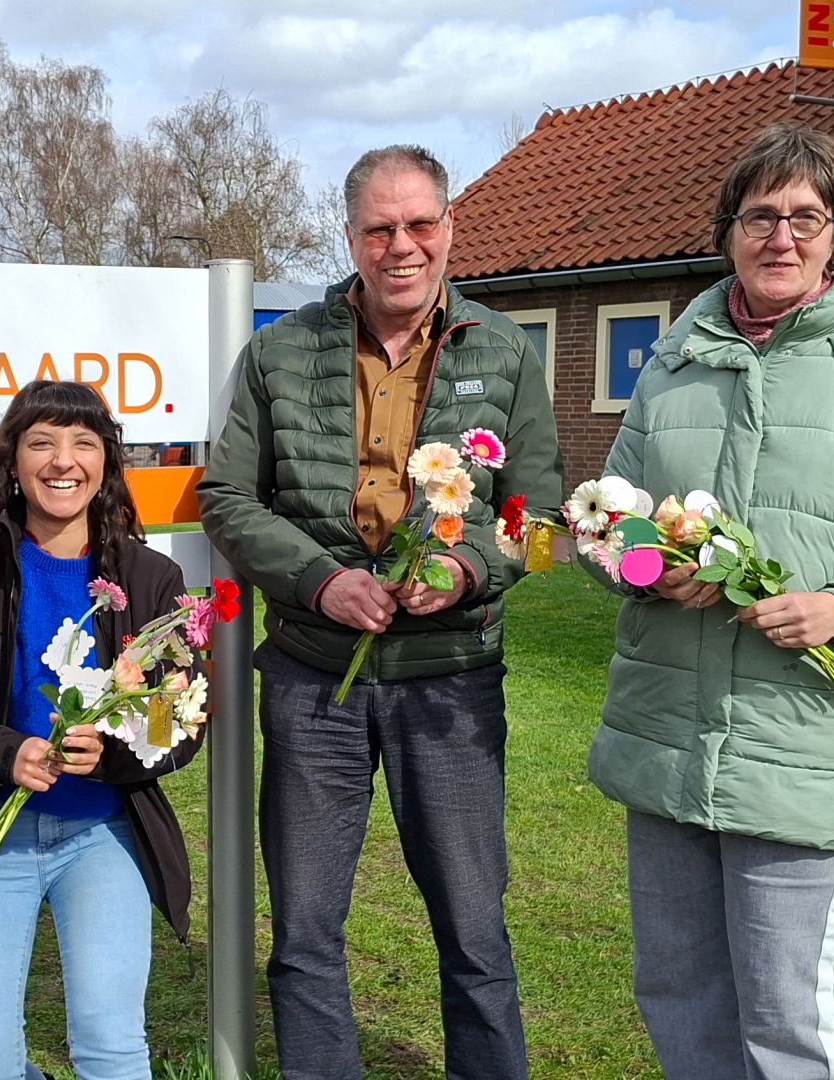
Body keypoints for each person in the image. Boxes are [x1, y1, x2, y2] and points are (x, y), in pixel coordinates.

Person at [590, 122, 834, 1079]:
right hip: (669, 729)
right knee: (678, 993)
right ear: (728, 231)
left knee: (790, 1012)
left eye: (805, 217)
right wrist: (643, 562)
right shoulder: (678, 358)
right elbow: (610, 515)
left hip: (803, 731)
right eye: (760, 215)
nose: (782, 237)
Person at [198, 144, 563, 1080]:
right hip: (317, 679)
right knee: (307, 931)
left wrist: (471, 569)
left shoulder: (505, 350)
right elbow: (228, 498)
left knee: (475, 931)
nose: (402, 245)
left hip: (450, 686)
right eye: (379, 228)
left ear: (448, 230)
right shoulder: (280, 353)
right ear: (351, 237)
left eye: (420, 225)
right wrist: (321, 580)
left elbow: (541, 515)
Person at [0, 380, 203, 1080]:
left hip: (104, 835)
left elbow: (180, 716)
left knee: (111, 1046)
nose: (64, 461)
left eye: (84, 443)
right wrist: (6, 752)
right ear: (13, 461)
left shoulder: (151, 577)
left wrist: (114, 747)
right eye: (42, 442)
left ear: (107, 463)